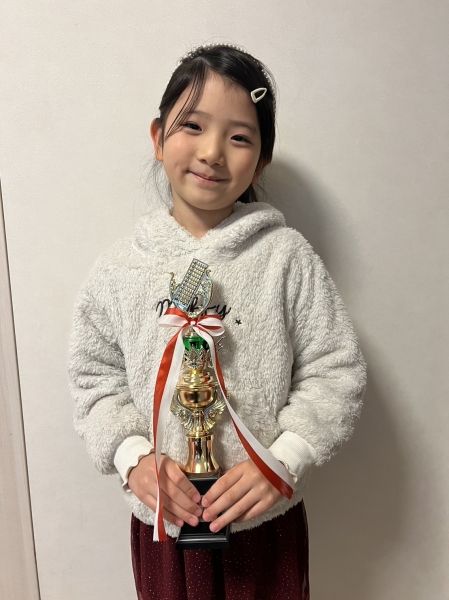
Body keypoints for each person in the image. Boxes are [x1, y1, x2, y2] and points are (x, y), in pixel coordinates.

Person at [68, 43, 367, 600]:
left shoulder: (286, 258)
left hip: (264, 520)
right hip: (165, 521)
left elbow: (336, 370)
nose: (212, 152)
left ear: (262, 160)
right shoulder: (118, 270)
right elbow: (94, 379)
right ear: (158, 137)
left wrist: (283, 461)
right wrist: (133, 459)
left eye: (240, 137)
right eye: (193, 126)